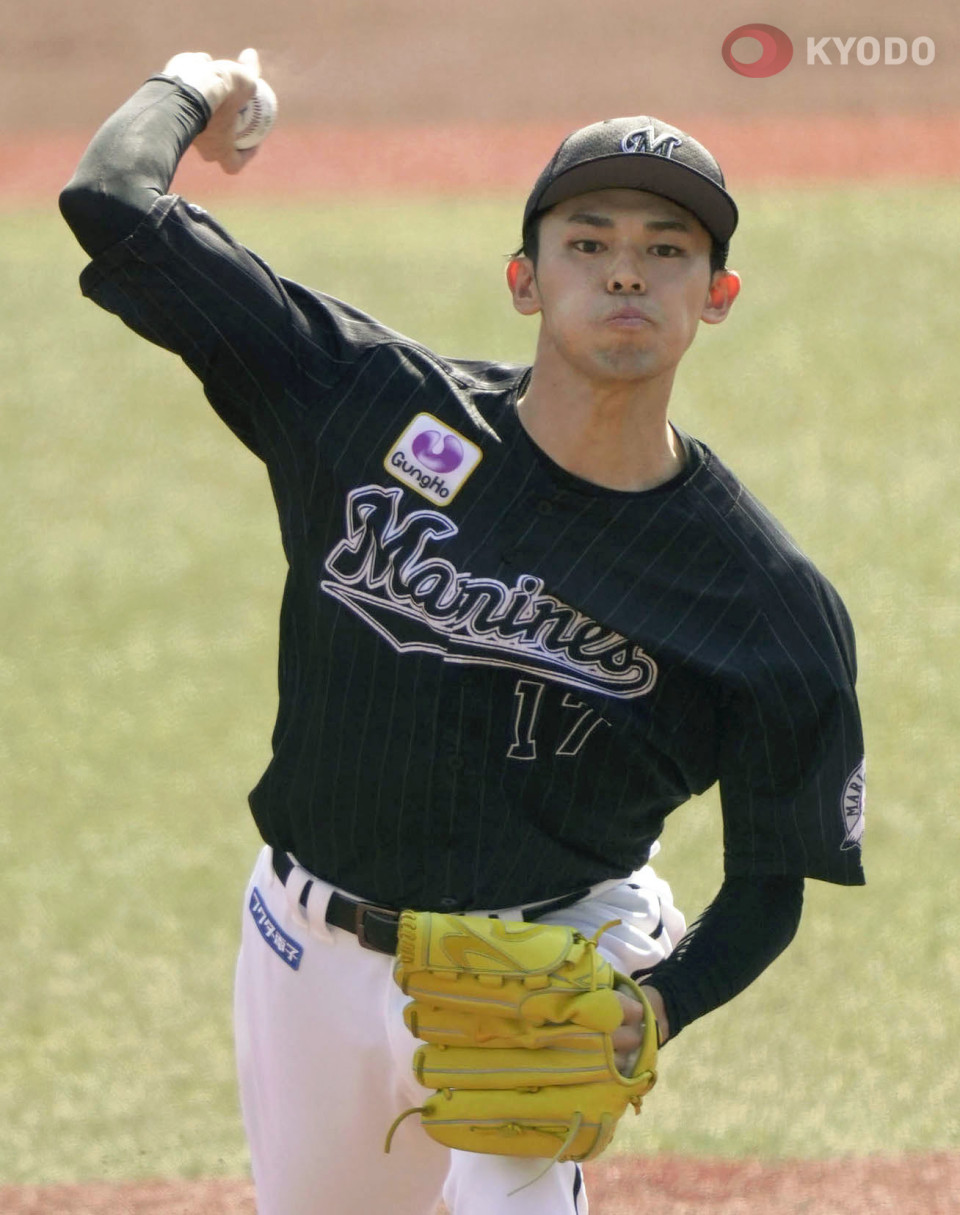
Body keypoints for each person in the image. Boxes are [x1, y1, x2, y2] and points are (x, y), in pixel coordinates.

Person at [59, 47, 865, 1215]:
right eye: (587, 243)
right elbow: (111, 205)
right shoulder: (365, 404)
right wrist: (194, 83)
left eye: (667, 251)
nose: (625, 273)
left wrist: (653, 1010)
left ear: (716, 295)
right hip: (306, 949)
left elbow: (775, 881)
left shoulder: (762, 597)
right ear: (525, 280)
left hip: (548, 966)